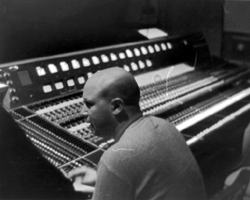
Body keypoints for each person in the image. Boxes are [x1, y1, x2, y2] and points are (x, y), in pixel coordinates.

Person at [68, 67, 207, 200]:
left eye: (89, 104)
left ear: (116, 107)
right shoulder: (164, 125)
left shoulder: (115, 158)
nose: (82, 112)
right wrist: (102, 179)